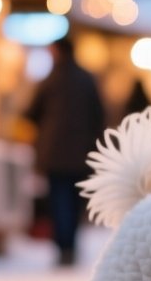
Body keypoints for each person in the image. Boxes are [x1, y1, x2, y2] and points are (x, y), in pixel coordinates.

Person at [26, 36, 107, 267]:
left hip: (53, 153)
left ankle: (63, 248)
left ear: (58, 51)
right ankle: (70, 246)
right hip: (82, 154)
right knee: (74, 202)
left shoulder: (50, 80)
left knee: (59, 200)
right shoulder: (87, 79)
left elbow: (31, 112)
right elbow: (99, 115)